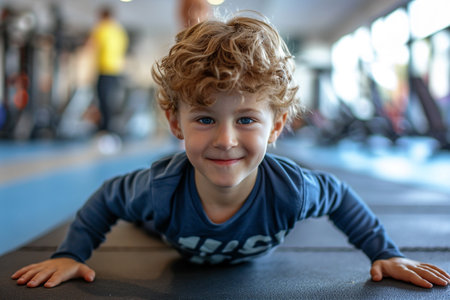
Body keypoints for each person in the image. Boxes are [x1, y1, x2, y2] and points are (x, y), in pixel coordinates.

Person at [11, 13, 450, 289]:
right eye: (204, 118)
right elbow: (107, 198)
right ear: (174, 122)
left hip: (251, 223)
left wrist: (384, 252)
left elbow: (337, 195)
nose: (225, 140)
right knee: (142, 218)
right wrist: (71, 254)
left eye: (245, 120)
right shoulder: (159, 189)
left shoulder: (291, 191)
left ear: (276, 125)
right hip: (166, 228)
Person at [89, 6, 128, 133]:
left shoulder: (102, 28)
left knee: (103, 100)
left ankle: (105, 130)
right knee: (112, 101)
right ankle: (112, 128)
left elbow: (91, 46)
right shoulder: (119, 31)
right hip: (117, 71)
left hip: (105, 69)